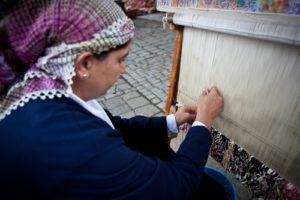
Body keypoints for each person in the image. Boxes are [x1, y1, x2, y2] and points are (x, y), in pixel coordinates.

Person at [0, 0, 224, 199]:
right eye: (121, 59)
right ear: (84, 64)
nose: (124, 70)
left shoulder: (47, 88)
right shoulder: (75, 145)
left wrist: (172, 121)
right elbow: (176, 186)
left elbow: (114, 125)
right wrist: (203, 122)